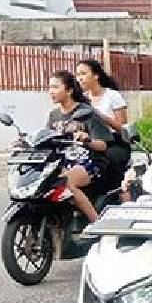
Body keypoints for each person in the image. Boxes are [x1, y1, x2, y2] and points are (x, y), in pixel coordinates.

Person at [43, 70, 115, 223]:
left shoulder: (87, 112)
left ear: (69, 90)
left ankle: (96, 223)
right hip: (62, 162)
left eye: (56, 87)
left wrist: (87, 139)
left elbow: (103, 145)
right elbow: (46, 138)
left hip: (89, 162)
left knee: (66, 183)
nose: (51, 91)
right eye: (50, 87)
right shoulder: (53, 115)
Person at [76, 59, 131, 191]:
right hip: (90, 141)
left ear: (96, 75)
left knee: (110, 162)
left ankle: (119, 194)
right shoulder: (82, 99)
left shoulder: (112, 96)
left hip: (114, 141)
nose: (80, 78)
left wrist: (99, 116)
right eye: (78, 75)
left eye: (83, 74)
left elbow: (122, 128)